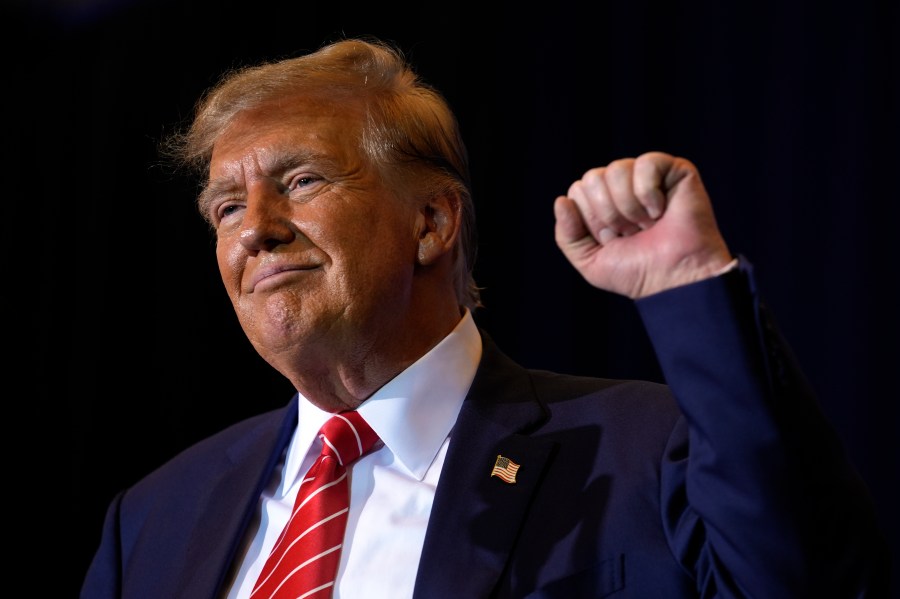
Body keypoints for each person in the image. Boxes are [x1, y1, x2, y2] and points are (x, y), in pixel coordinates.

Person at [80, 36, 890, 599]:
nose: (253, 226)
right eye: (225, 206)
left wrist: (691, 286)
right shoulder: (153, 519)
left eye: (300, 181)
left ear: (432, 222)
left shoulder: (644, 452)